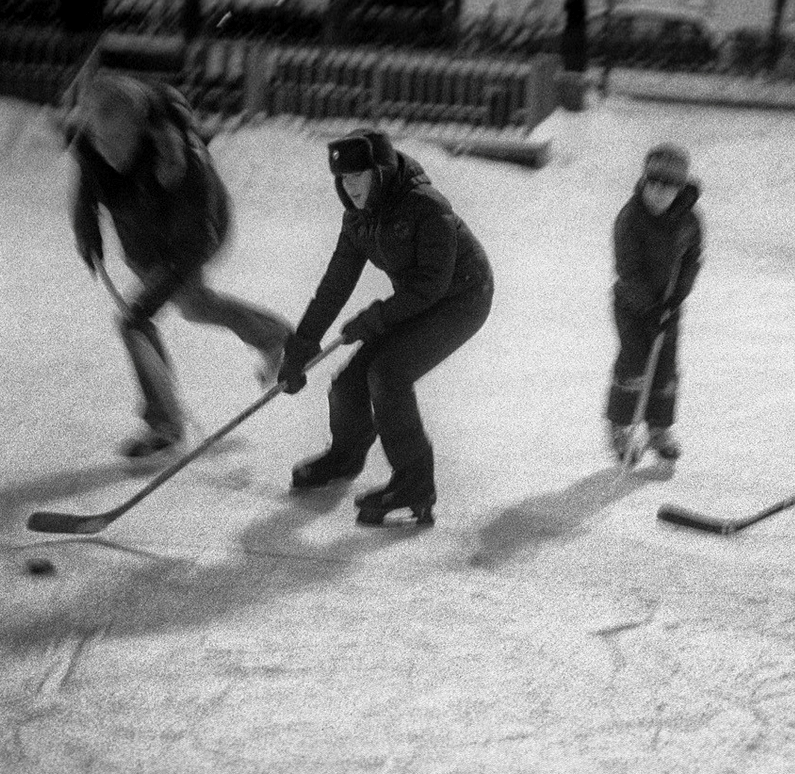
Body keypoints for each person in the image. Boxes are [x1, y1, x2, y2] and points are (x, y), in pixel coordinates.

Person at [69, 74, 292, 462]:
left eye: (117, 141)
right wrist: (86, 226)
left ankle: (164, 425)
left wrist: (149, 300)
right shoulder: (95, 143)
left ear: (140, 132)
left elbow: (196, 243)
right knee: (192, 307)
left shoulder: (180, 161)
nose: (107, 150)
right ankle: (276, 336)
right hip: (142, 236)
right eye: (100, 140)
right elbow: (88, 182)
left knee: (139, 320)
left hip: (196, 234)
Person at [277, 129, 494, 527]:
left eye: (359, 175)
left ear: (380, 172)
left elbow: (431, 285)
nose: (350, 186)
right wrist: (303, 342)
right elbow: (337, 281)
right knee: (349, 382)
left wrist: (375, 318)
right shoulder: (359, 217)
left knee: (388, 373)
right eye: (343, 178)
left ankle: (415, 484)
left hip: (462, 299)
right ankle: (346, 456)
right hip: (415, 299)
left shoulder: (427, 208)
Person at [605, 143, 704, 464]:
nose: (659, 192)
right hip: (633, 308)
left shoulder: (689, 220)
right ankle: (621, 426)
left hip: (668, 306)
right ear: (644, 181)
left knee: (665, 369)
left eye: (668, 186)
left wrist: (676, 299)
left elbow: (692, 260)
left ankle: (659, 428)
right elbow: (627, 270)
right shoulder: (630, 218)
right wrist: (649, 308)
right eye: (653, 183)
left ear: (679, 188)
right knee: (634, 364)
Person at [561, 0, 590, 74]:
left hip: (571, 31)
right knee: (576, 63)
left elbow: (566, 8)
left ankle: (572, 75)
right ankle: (575, 75)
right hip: (577, 31)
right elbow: (580, 14)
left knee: (571, 64)